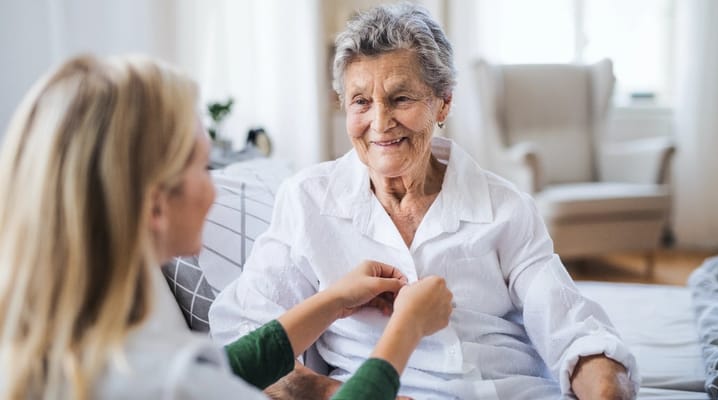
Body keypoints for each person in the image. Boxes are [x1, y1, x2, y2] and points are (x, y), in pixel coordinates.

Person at [209, 3, 639, 400]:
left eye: (401, 98)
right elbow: (246, 336)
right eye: (361, 101)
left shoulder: (506, 208)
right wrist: (327, 391)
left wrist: (605, 390)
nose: (380, 123)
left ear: (443, 102)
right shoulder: (306, 202)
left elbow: (576, 335)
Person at [0, 54, 454, 399]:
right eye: (203, 168)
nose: (216, 191)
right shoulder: (172, 380)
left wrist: (332, 300)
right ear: (157, 206)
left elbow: (226, 368)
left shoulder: (73, 352)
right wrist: (406, 331)